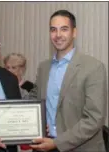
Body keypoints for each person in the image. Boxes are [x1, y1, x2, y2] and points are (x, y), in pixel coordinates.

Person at [30, 10, 107, 152]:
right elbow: (34, 101)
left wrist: (57, 143)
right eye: (53, 30)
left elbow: (94, 118)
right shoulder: (43, 67)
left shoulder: (93, 67)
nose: (58, 35)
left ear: (74, 32)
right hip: (44, 145)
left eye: (64, 29)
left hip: (81, 148)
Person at [3, 53, 35, 151]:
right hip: (5, 134)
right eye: (7, 67)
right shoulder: (0, 86)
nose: (10, 71)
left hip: (24, 136)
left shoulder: (30, 87)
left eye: (13, 67)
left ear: (22, 69)